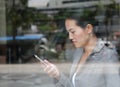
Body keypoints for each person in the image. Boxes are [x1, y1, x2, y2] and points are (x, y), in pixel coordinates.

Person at [40, 15, 120, 87]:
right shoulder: (79, 52)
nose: (70, 37)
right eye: (68, 32)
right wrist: (57, 75)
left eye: (73, 32)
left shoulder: (107, 55)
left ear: (88, 28)